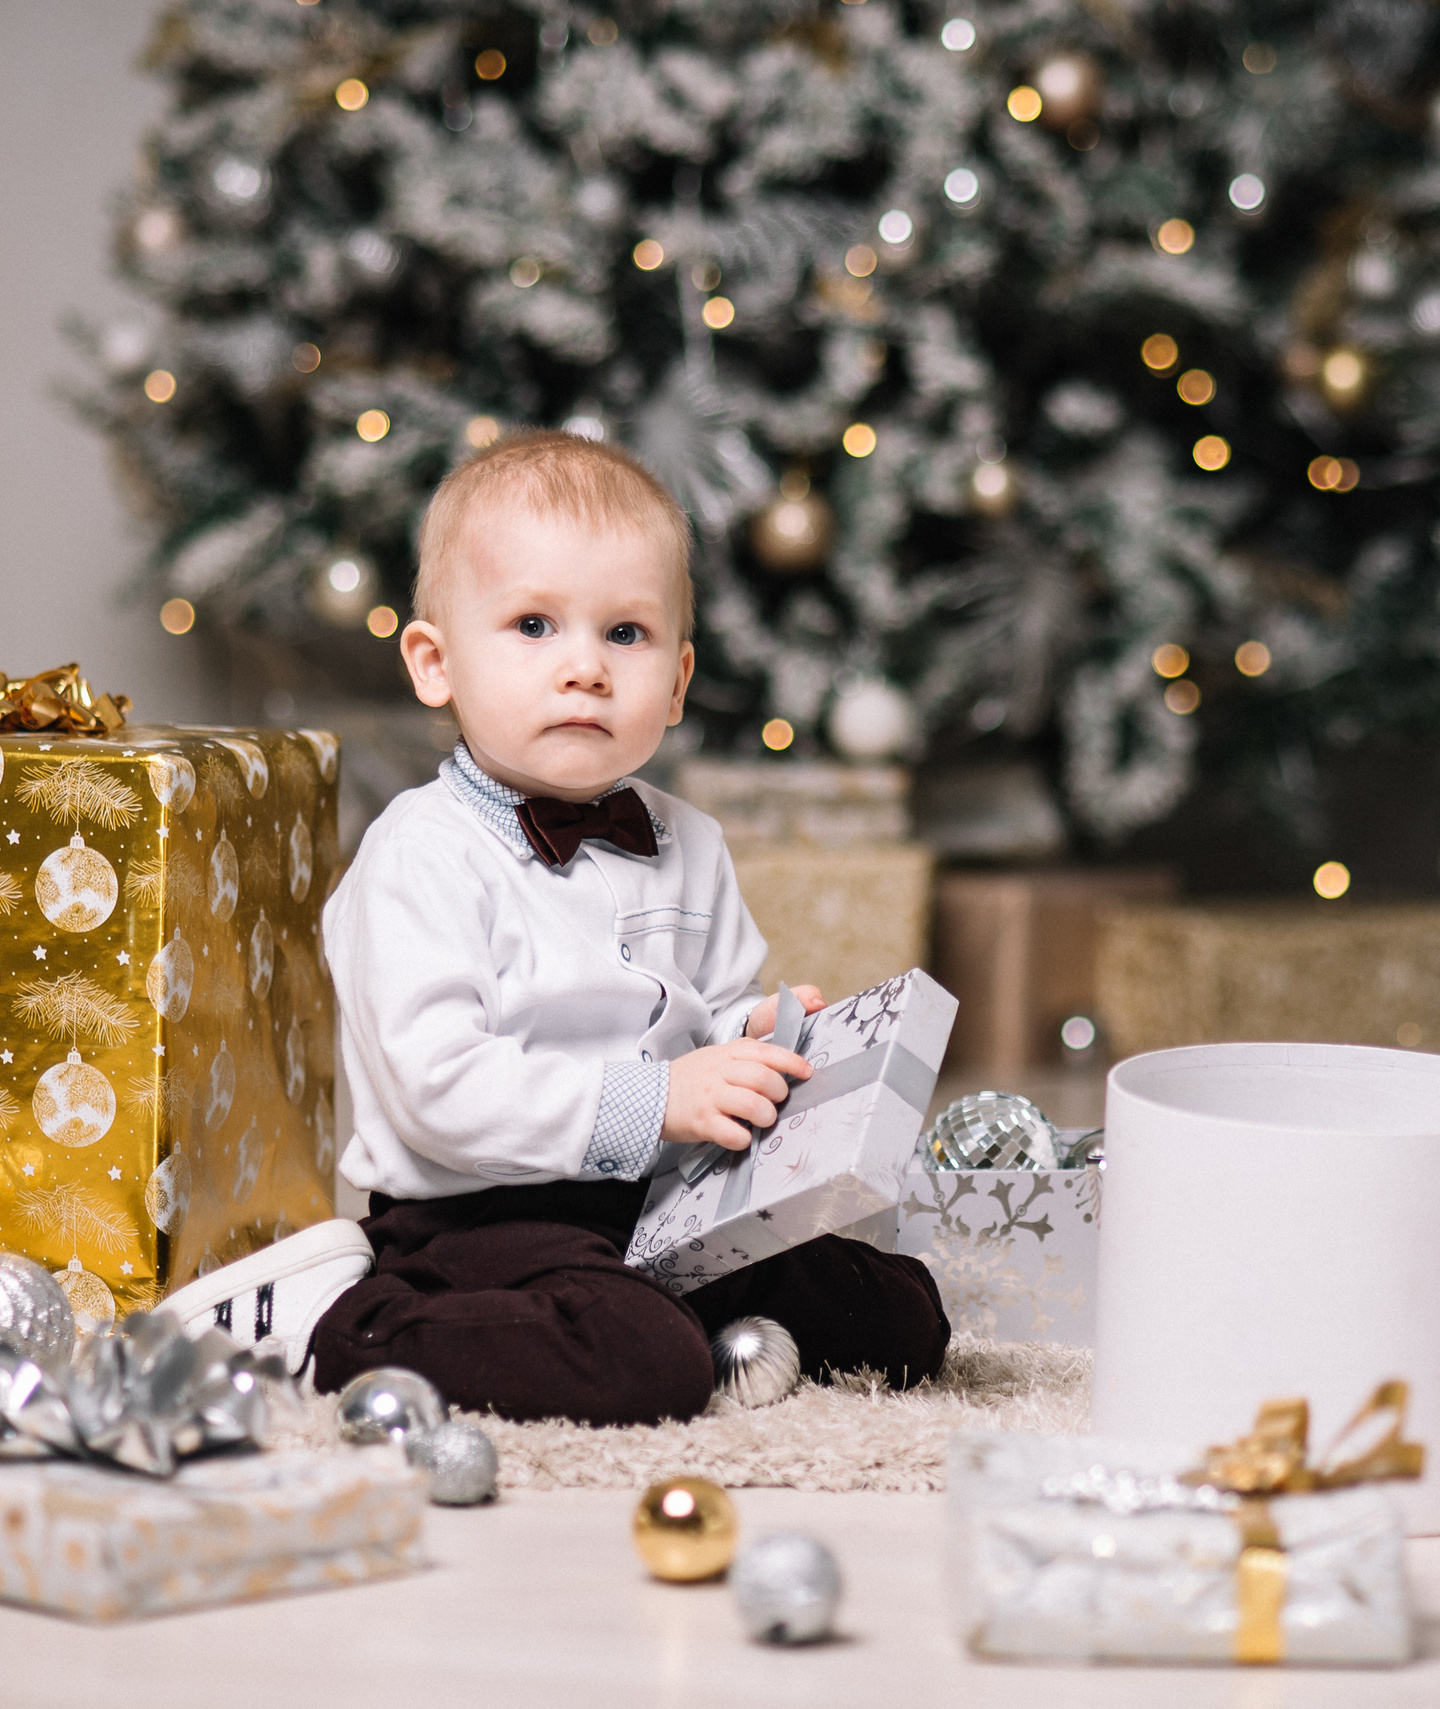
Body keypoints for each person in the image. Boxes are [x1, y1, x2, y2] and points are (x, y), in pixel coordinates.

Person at [157, 432, 949, 1425]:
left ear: (677, 677)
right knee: (639, 1362)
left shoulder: (688, 840)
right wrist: (657, 1097)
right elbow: (437, 1090)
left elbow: (716, 1003)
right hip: (476, 1212)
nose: (584, 667)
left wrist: (757, 1037)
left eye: (625, 633)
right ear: (435, 663)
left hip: (660, 1201)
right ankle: (340, 1322)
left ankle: (668, 1304)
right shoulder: (420, 854)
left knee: (901, 1314)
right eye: (534, 625)